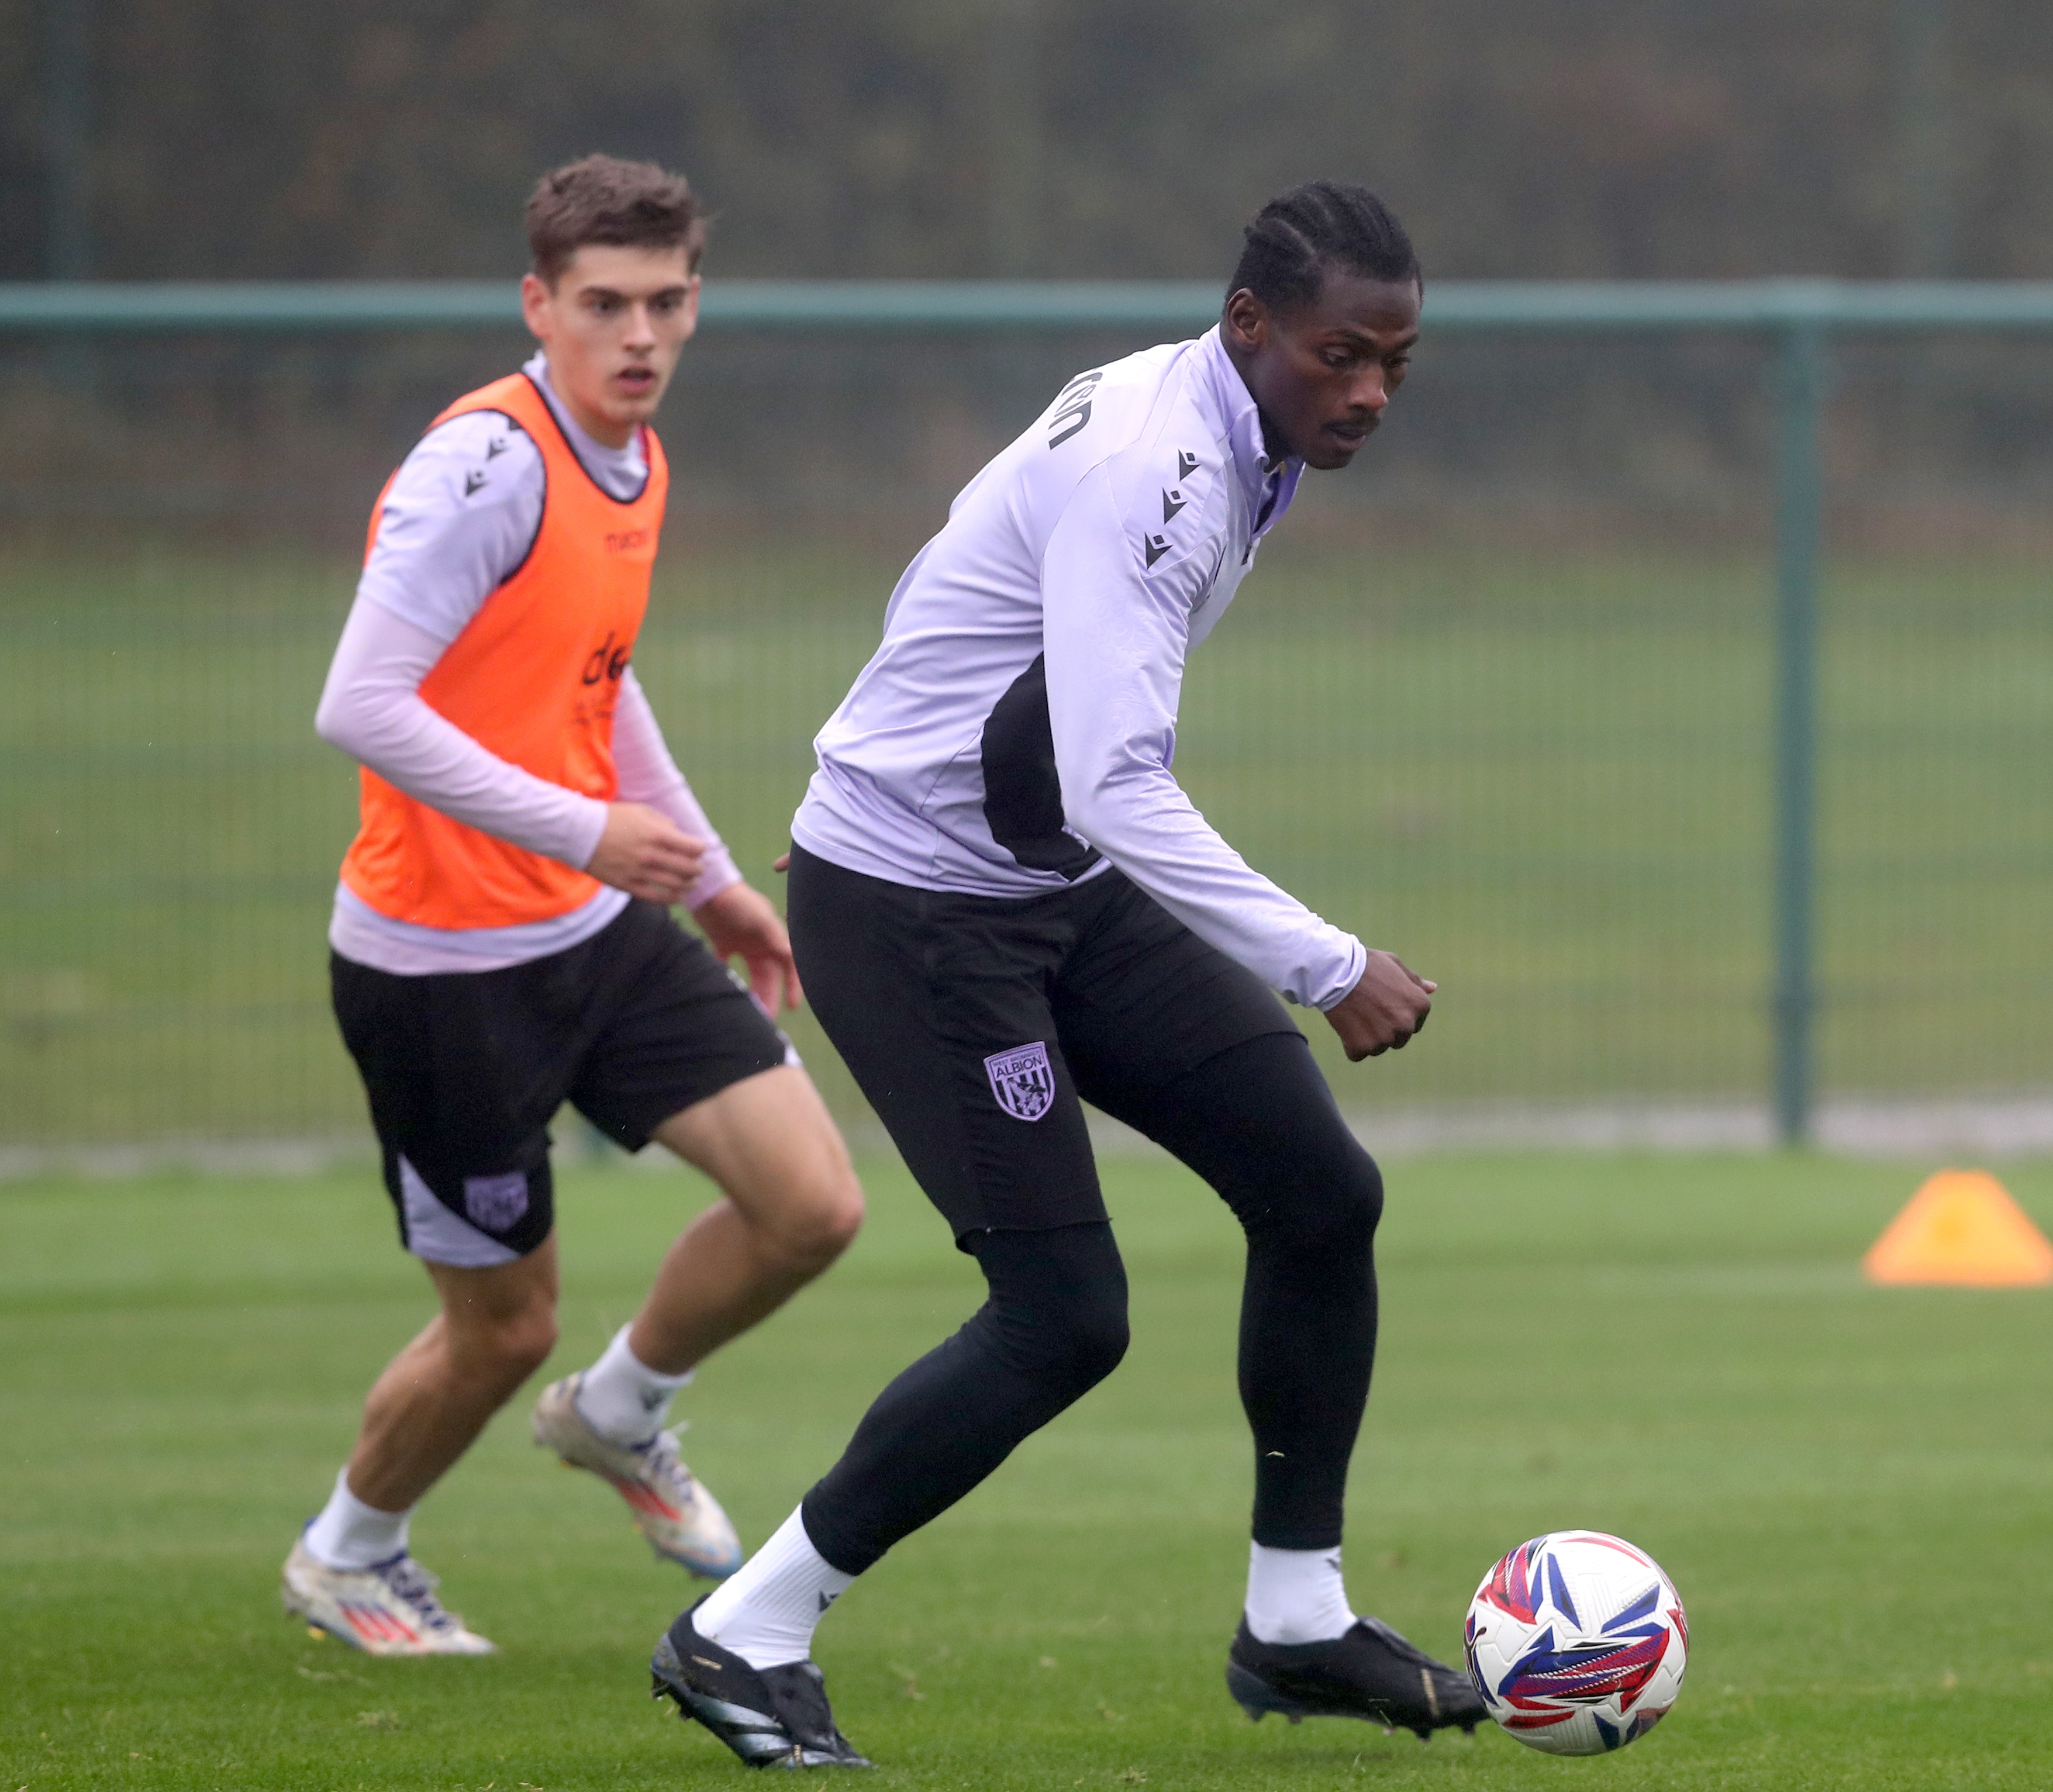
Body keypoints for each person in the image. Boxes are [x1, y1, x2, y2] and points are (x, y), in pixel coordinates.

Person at [647, 181, 1484, 1767]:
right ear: (1247, 327)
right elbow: (1111, 781)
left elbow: (977, 624)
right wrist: (1326, 963)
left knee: (1317, 1194)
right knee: (1061, 1316)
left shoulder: (1227, 421)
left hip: (1047, 887)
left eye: (1394, 360)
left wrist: (896, 743)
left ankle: (1295, 1623)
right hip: (916, 912)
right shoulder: (1154, 473)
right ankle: (739, 1631)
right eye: (1337, 355)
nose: (1368, 389)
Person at [280, 156, 863, 1657]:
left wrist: (713, 875)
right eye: (604, 304)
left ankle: (619, 1416)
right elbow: (360, 702)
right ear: (539, 303)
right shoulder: (488, 462)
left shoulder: (636, 459)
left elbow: (595, 686)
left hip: (589, 935)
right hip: (439, 971)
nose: (640, 335)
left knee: (811, 1205)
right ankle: (350, 1553)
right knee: (502, 1328)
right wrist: (588, 832)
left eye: (667, 302)